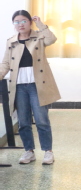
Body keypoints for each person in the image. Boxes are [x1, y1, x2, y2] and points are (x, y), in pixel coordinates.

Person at [0, 10, 60, 165]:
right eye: (17, 22)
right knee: (23, 121)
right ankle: (29, 151)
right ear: (13, 24)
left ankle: (48, 152)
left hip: (37, 85)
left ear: (30, 22)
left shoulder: (39, 37)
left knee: (41, 120)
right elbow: (5, 63)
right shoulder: (11, 41)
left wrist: (40, 24)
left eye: (24, 21)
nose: (20, 24)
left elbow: (51, 39)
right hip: (19, 86)